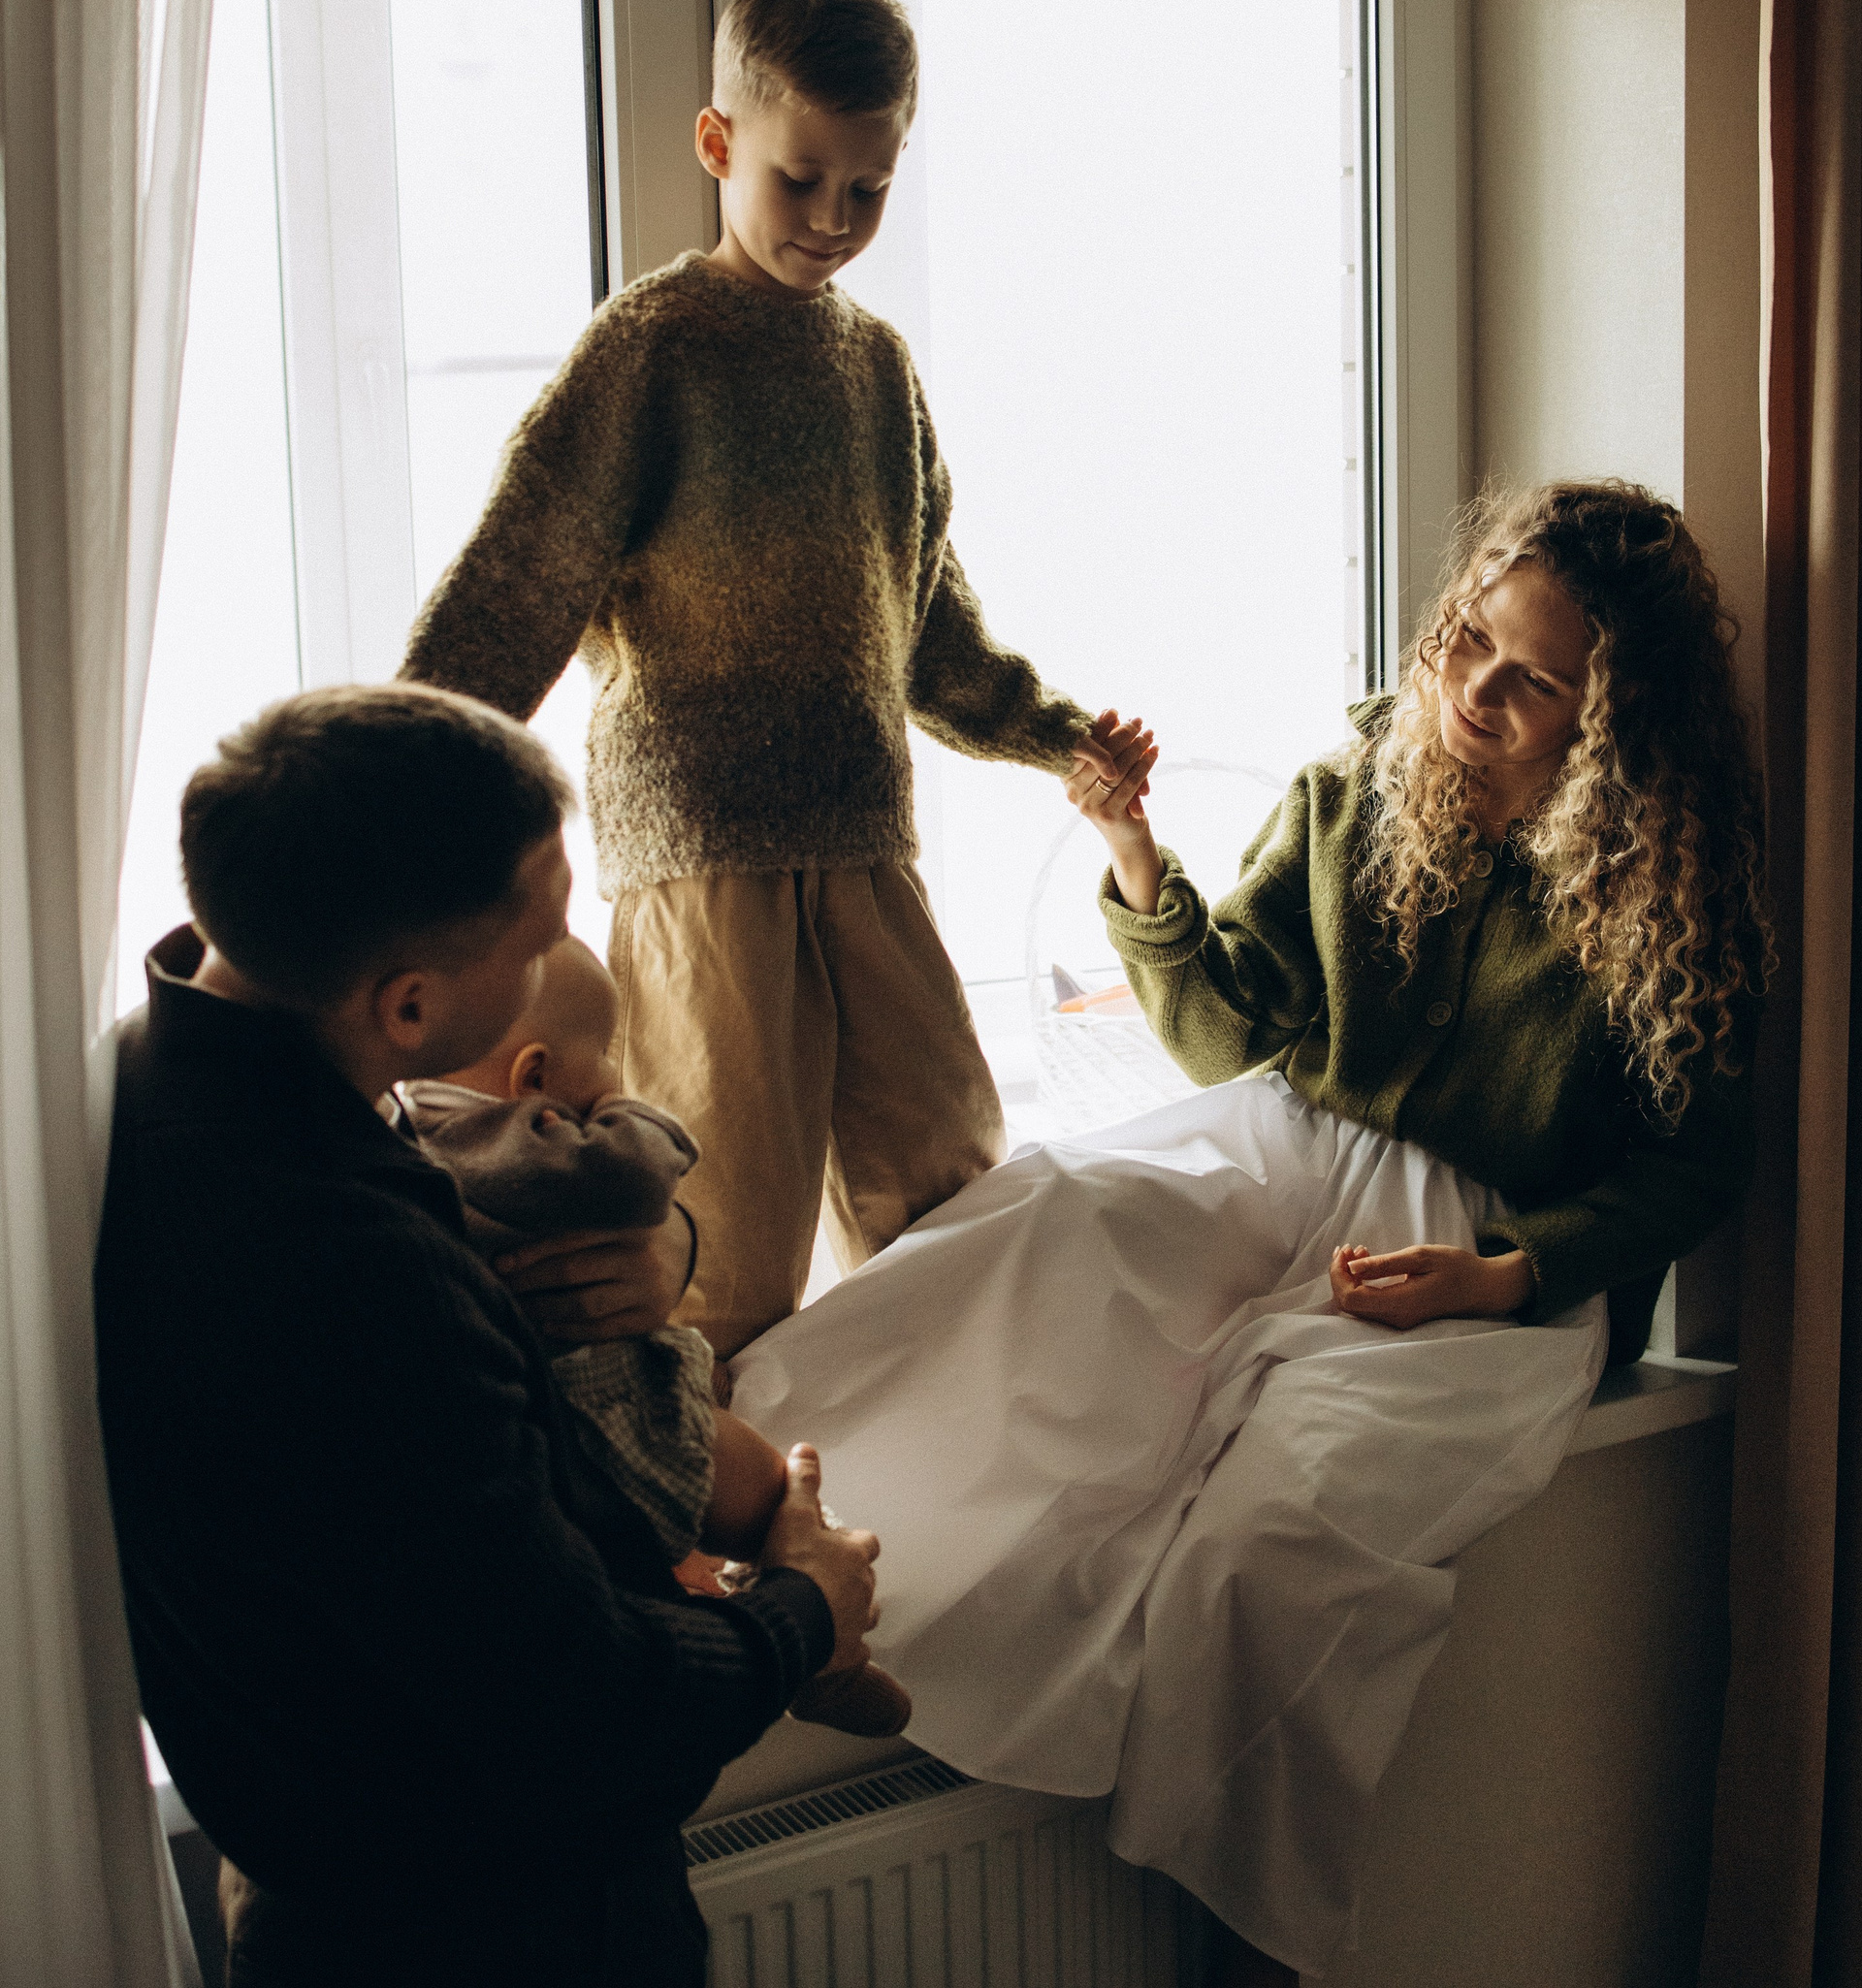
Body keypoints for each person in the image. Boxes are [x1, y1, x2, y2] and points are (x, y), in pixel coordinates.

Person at [729, 480, 1769, 1985]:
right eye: (1471, 640)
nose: (1477, 690)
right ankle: (751, 1534)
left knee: (1273, 1539)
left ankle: (1249, 1953)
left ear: (1613, 717)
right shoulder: (1358, 789)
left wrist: (1508, 1272)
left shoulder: (1674, 884)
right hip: (1281, 1154)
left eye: (1535, 681)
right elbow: (1228, 1034)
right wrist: (1135, 856)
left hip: (1493, 1264)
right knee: (1050, 1229)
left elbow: (1696, 1166)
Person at [94, 686, 883, 1988]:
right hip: (485, 1930)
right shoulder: (339, 1268)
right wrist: (809, 1608)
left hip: (332, 1880)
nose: (564, 958)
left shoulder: (166, 1079)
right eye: (542, 938)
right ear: (408, 1009)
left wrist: (651, 1262)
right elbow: (578, 1705)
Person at [401, 0, 1130, 1364]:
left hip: (863, 841)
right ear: (719, 143)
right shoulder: (653, 348)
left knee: (950, 1187)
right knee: (716, 1234)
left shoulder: (878, 371)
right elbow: (520, 577)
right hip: (703, 853)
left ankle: (942, 1467)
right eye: (801, 180)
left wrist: (1056, 734)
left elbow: (926, 621)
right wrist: (392, 772)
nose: (834, 220)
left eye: (870, 189)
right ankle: (709, 1484)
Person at [403, 935, 913, 1736]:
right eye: (604, 1064)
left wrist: (671, 1248)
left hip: (571, 1421)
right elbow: (639, 1175)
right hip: (615, 1412)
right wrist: (628, 1113)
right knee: (774, 1489)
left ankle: (801, 1633)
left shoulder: (412, 1128)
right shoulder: (516, 1142)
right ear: (533, 1077)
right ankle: (830, 1662)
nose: (612, 1087)